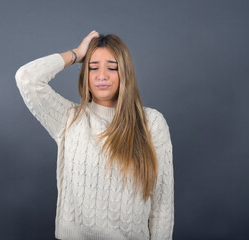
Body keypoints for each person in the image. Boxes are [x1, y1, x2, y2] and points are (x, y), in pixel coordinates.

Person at [15, 30, 174, 240]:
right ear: (85, 73)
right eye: (93, 67)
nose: (102, 76)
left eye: (112, 67)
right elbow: (27, 78)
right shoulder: (70, 119)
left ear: (125, 72)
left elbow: (162, 206)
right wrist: (76, 54)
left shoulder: (151, 123)